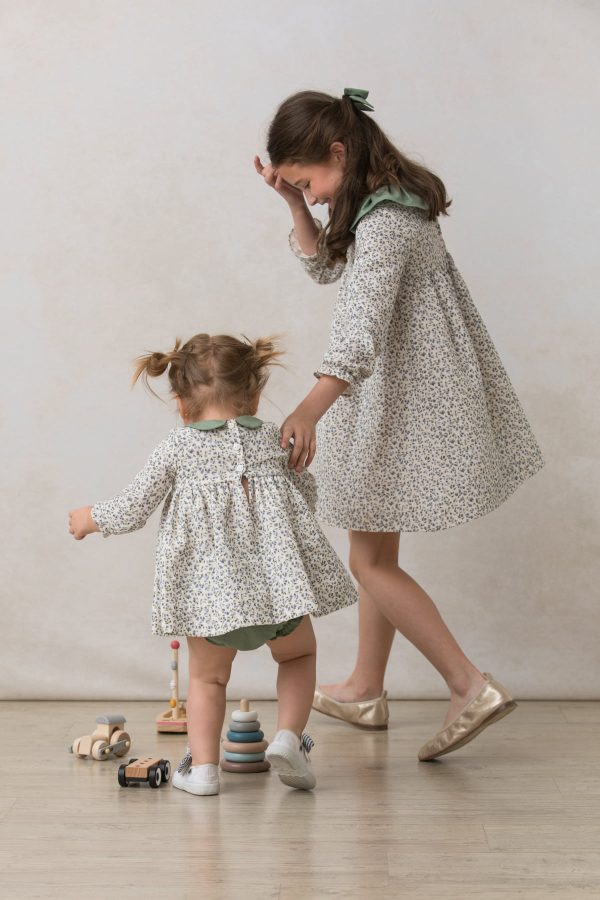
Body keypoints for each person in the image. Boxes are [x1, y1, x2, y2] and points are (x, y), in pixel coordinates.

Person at [254, 88, 544, 761]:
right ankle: (364, 686)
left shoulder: (386, 224)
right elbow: (328, 268)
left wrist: (307, 408)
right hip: (394, 392)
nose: (316, 197)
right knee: (375, 548)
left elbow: (358, 332)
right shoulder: (382, 205)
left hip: (401, 398)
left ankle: (467, 683)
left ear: (338, 151)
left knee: (369, 559)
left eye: (310, 182)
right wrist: (295, 204)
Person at [68, 332, 358, 793]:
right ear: (256, 396)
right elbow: (307, 495)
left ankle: (203, 770)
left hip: (212, 604)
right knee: (299, 654)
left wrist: (90, 518)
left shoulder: (176, 448)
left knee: (207, 679)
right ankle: (288, 738)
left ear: (181, 405)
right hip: (279, 594)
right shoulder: (275, 439)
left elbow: (133, 508)